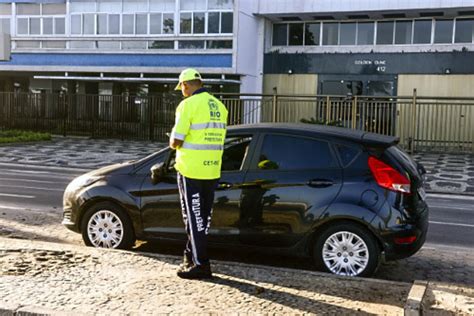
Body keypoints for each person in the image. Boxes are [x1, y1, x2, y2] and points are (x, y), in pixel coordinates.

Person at [169, 68, 228, 279]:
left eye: (182, 87)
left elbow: (176, 140)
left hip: (190, 169)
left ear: (186, 84)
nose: (182, 91)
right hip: (212, 169)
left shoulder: (187, 105)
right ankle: (190, 256)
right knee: (202, 218)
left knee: (193, 218)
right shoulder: (220, 106)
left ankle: (201, 264)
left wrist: (172, 140)